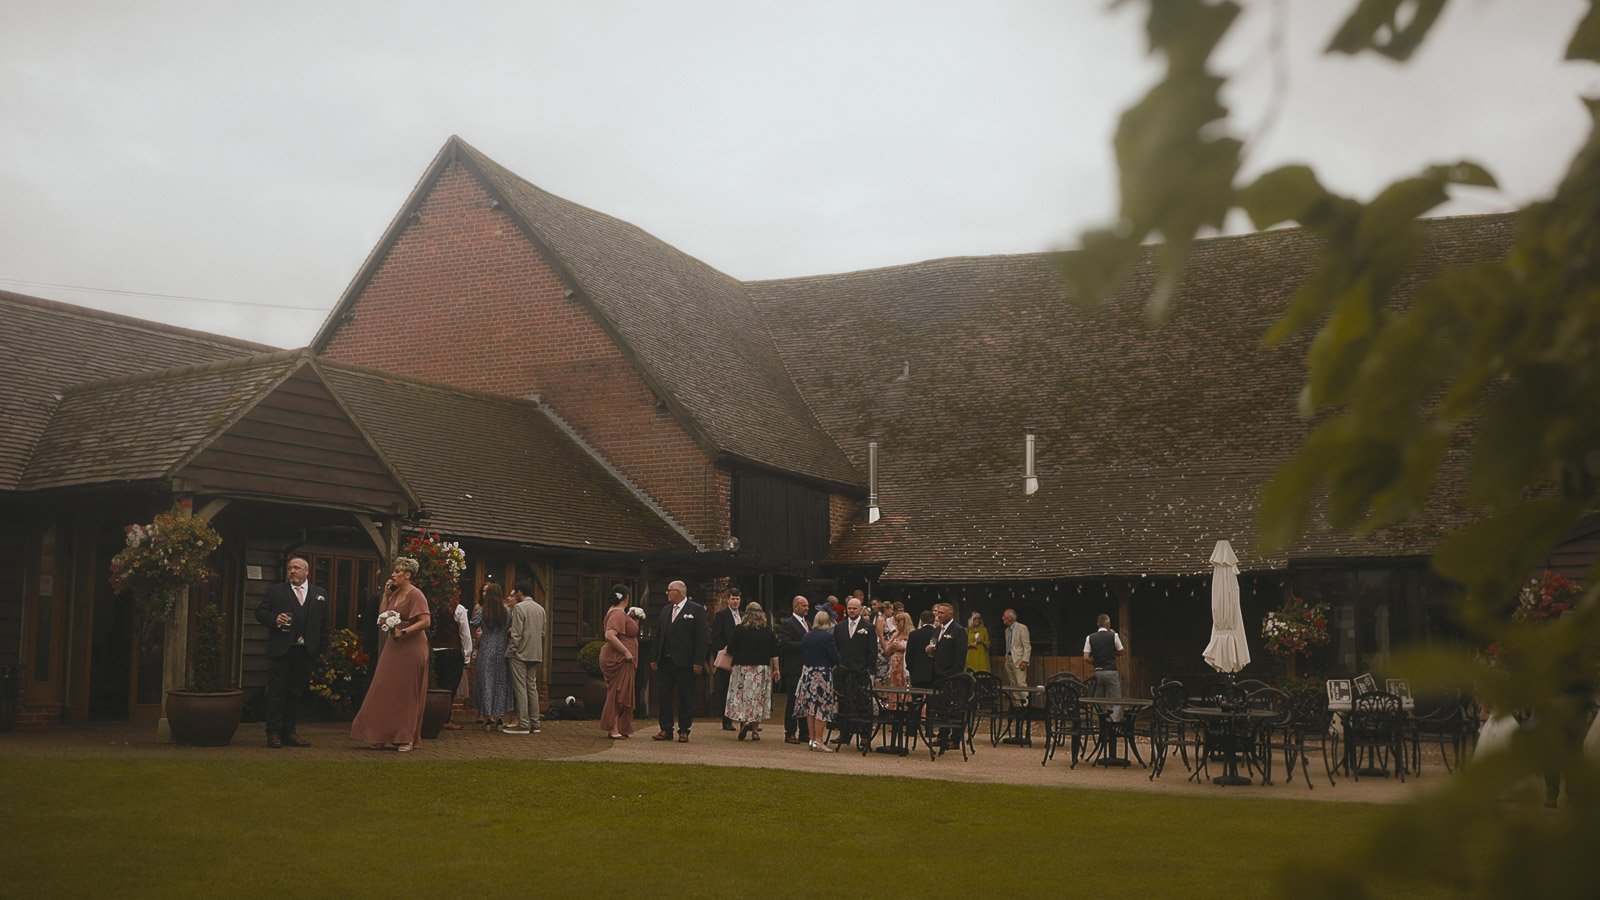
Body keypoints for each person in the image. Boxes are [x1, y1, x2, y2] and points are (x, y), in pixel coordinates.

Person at [351, 557, 431, 751]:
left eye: (397, 572)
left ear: (407, 575)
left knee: (406, 693)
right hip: (393, 647)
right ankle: (380, 734)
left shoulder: (416, 595)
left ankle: (405, 737)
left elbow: (425, 621)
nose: (393, 575)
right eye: (393, 572)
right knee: (383, 687)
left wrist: (404, 631)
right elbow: (383, 615)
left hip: (412, 647)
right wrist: (386, 595)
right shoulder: (394, 595)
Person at [254, 556, 330, 748]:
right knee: (277, 693)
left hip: (306, 651)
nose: (292, 572)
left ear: (306, 572)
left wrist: (319, 647)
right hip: (281, 650)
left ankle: (290, 732)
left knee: (295, 694)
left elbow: (325, 623)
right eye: (290, 569)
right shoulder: (276, 591)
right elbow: (260, 613)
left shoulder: (320, 594)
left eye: (296, 568)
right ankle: (273, 733)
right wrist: (274, 618)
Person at [651, 580, 707, 742]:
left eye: (669, 590)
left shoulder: (695, 610)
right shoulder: (665, 611)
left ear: (678, 592)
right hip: (666, 661)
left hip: (685, 662)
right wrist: (655, 657)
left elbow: (701, 638)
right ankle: (666, 729)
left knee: (685, 696)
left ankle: (684, 730)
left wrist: (698, 661)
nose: (667, 593)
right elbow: (659, 635)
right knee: (664, 696)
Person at [725, 602, 780, 741]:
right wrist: (777, 670)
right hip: (761, 670)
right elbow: (774, 652)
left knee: (742, 697)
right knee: (758, 698)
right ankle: (755, 730)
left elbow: (730, 649)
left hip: (742, 668)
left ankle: (745, 722)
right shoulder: (767, 631)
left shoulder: (739, 630)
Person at [831, 595, 879, 745]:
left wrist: (869, 670)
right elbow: (835, 649)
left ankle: (865, 736)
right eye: (849, 608)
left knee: (863, 704)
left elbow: (873, 651)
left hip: (861, 672)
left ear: (860, 609)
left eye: (854, 608)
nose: (851, 611)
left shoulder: (869, 628)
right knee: (843, 704)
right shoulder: (839, 627)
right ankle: (844, 735)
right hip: (843, 672)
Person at [797, 611, 842, 751]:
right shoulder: (828, 637)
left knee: (810, 708)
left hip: (807, 673)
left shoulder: (807, 635)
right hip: (822, 675)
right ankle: (819, 740)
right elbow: (836, 658)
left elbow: (803, 652)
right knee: (822, 708)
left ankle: (812, 739)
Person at [504, 580, 545, 734]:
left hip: (520, 653)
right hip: (535, 653)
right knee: (532, 688)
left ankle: (523, 724)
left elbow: (516, 634)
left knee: (520, 688)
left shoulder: (519, 608)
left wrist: (511, 650)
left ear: (521, 592)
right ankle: (536, 724)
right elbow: (542, 633)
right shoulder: (541, 609)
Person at [471, 582, 513, 731]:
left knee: (486, 682)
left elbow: (473, 623)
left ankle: (488, 716)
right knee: (501, 682)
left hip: (487, 647)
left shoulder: (483, 611)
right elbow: (511, 626)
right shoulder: (507, 611)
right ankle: (499, 716)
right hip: (502, 648)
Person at [598, 583, 639, 739]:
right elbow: (609, 635)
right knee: (617, 693)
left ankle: (618, 727)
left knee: (618, 692)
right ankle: (613, 729)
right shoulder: (617, 614)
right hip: (619, 659)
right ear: (626, 597)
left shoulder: (619, 613)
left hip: (622, 659)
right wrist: (626, 651)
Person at [429, 586, 473, 731]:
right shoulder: (458, 609)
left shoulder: (433, 608)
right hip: (452, 651)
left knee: (437, 684)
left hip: (434, 650)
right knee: (449, 688)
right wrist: (467, 655)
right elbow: (465, 633)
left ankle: (437, 717)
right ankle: (445, 718)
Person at [926, 603, 968, 749]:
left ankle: (955, 739)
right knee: (940, 707)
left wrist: (952, 675)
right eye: (938, 613)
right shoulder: (936, 630)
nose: (939, 615)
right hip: (936, 675)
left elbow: (960, 657)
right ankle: (941, 735)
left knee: (954, 708)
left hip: (951, 676)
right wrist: (930, 651)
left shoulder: (959, 631)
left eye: (942, 613)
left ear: (950, 614)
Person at [709, 586, 744, 731]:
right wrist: (726, 649)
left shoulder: (743, 615)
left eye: (737, 599)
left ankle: (744, 721)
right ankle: (726, 720)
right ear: (728, 600)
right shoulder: (721, 615)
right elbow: (715, 636)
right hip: (727, 657)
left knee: (742, 689)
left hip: (742, 658)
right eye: (733, 599)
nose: (735, 601)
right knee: (726, 689)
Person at [778, 595, 812, 743]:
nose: (807, 608)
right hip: (793, 668)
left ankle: (805, 732)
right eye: (804, 606)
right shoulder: (788, 624)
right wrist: (805, 644)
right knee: (793, 700)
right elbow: (785, 644)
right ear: (795, 607)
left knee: (805, 701)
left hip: (807, 668)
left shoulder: (808, 624)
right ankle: (790, 731)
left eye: (807, 605)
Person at [1084, 613, 1125, 721]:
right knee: (1116, 700)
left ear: (1098, 624)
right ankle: (1114, 723)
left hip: (1098, 672)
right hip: (1111, 671)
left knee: (1099, 701)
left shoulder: (1090, 637)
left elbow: (1086, 657)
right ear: (1108, 623)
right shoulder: (1113, 636)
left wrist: (1096, 662)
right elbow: (1121, 652)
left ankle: (1102, 724)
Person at [1000, 608, 1032, 691]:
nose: (1003, 618)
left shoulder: (1022, 628)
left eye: (1004, 616)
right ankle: (1017, 704)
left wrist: (1025, 660)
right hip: (1009, 659)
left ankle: (1025, 704)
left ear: (1010, 617)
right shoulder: (1007, 630)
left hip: (1019, 660)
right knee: (1013, 685)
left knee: (1021, 684)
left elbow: (1027, 646)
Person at [905, 610, 938, 689]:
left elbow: (908, 655)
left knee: (917, 699)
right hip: (933, 673)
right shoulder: (937, 633)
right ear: (933, 621)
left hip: (917, 673)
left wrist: (911, 669)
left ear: (921, 621)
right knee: (931, 699)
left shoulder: (913, 634)